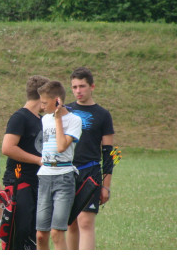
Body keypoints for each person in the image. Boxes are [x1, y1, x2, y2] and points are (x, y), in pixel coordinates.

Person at [66, 67, 115, 250]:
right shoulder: (66, 111)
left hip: (90, 172)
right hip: (67, 171)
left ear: (92, 86)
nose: (78, 91)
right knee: (70, 224)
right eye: (74, 87)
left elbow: (108, 153)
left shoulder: (103, 115)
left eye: (82, 86)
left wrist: (106, 186)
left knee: (85, 222)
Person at [1, 75, 50, 250]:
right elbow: (7, 148)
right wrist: (39, 160)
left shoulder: (40, 119)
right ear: (42, 95)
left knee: (32, 234)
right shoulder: (20, 117)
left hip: (35, 183)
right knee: (19, 235)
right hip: (19, 183)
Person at [35, 80, 82, 250]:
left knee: (56, 232)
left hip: (64, 177)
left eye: (45, 102)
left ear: (57, 101)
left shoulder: (74, 121)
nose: (41, 106)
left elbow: (62, 146)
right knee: (41, 235)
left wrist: (57, 119)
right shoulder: (44, 119)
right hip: (45, 176)